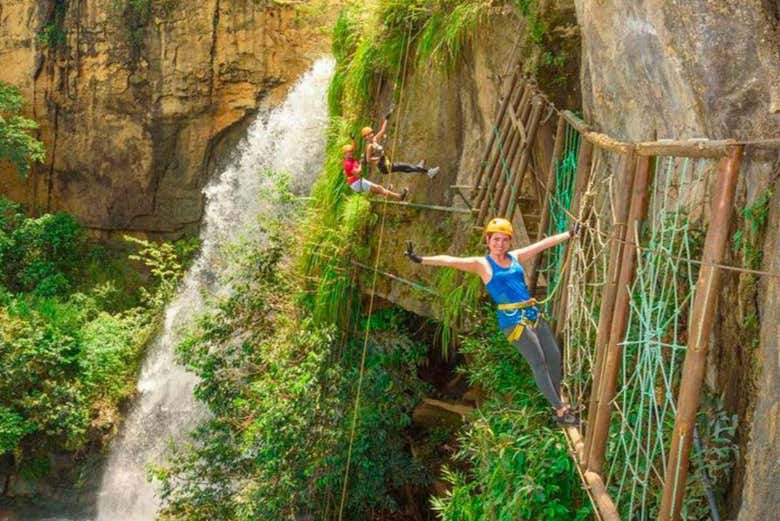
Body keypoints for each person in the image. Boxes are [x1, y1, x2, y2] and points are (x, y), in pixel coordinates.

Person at [404, 217, 581, 427]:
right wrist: (421, 259)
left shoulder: (514, 257)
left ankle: (559, 400)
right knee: (539, 362)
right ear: (488, 240)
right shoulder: (482, 264)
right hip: (512, 321)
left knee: (553, 355)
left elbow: (540, 245)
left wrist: (569, 234)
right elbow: (451, 260)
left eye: (505, 240)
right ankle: (560, 411)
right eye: (496, 239)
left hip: (532, 313)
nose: (500, 244)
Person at [362, 108, 440, 178]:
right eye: (367, 135)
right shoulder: (370, 146)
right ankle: (429, 171)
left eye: (371, 133)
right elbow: (368, 160)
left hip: (386, 162)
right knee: (405, 166)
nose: (370, 135)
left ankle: (420, 168)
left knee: (406, 168)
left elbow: (382, 130)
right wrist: (379, 158)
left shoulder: (375, 139)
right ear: (366, 138)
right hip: (383, 166)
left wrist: (386, 118)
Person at [342, 141, 408, 200]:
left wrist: (353, 140)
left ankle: (386, 193)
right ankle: (399, 197)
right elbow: (358, 172)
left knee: (377, 190)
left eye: (351, 151)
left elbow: (354, 149)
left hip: (357, 182)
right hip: (357, 183)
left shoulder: (350, 159)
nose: (351, 153)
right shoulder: (347, 163)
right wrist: (361, 164)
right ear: (345, 154)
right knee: (379, 189)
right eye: (349, 152)